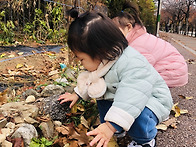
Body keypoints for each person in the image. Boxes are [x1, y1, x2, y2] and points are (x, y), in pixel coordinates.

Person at [58, 9, 173, 147]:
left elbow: (132, 95)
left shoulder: (131, 63)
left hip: (151, 99)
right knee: (101, 96)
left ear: (100, 51)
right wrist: (77, 94)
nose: (79, 62)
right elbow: (92, 79)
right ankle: (118, 129)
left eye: (81, 59)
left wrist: (110, 126)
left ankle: (145, 139)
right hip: (126, 97)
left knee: (139, 120)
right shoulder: (105, 59)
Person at [112, 1, 188, 88]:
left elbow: (139, 70)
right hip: (174, 68)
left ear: (128, 27)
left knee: (137, 85)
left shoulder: (138, 45)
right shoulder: (137, 38)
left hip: (173, 72)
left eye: (115, 30)